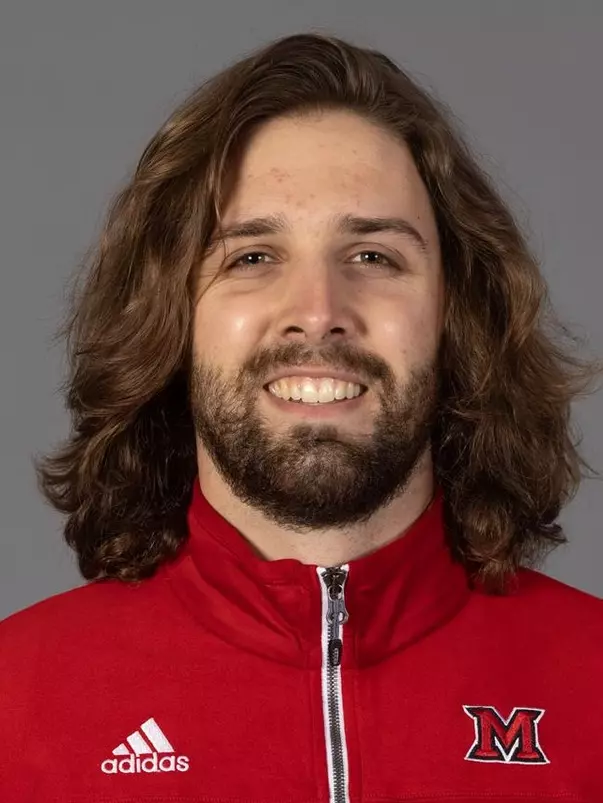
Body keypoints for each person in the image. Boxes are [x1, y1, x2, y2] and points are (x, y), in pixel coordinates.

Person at [1, 31, 602, 802]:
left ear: (457, 311)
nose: (317, 314)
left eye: (373, 257)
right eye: (251, 257)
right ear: (172, 317)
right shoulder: (15, 706)